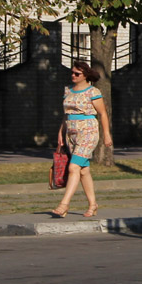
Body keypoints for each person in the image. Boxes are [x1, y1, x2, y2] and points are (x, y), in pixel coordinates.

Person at [50, 60, 113, 218]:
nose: (73, 75)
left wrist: (106, 134)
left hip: (88, 131)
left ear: (85, 75)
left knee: (73, 168)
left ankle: (64, 204)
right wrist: (60, 133)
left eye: (77, 74)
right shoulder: (68, 90)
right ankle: (93, 205)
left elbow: (103, 113)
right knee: (83, 170)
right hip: (71, 132)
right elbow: (66, 114)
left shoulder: (93, 92)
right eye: (72, 72)